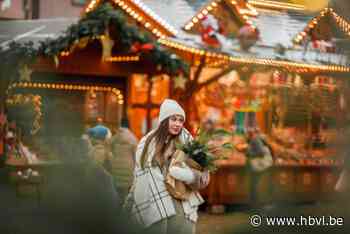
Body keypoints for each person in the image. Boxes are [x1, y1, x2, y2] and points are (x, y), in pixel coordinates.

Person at [126, 99, 210, 234]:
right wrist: (127, 208)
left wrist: (187, 175)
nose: (178, 124)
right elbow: (139, 178)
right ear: (164, 120)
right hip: (154, 209)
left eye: (181, 120)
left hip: (180, 211)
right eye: (174, 119)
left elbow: (204, 178)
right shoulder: (146, 144)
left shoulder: (189, 143)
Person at [110, 118, 138, 199]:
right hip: (128, 167)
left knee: (118, 192)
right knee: (126, 193)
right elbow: (136, 154)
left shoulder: (115, 137)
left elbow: (110, 148)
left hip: (116, 167)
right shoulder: (132, 138)